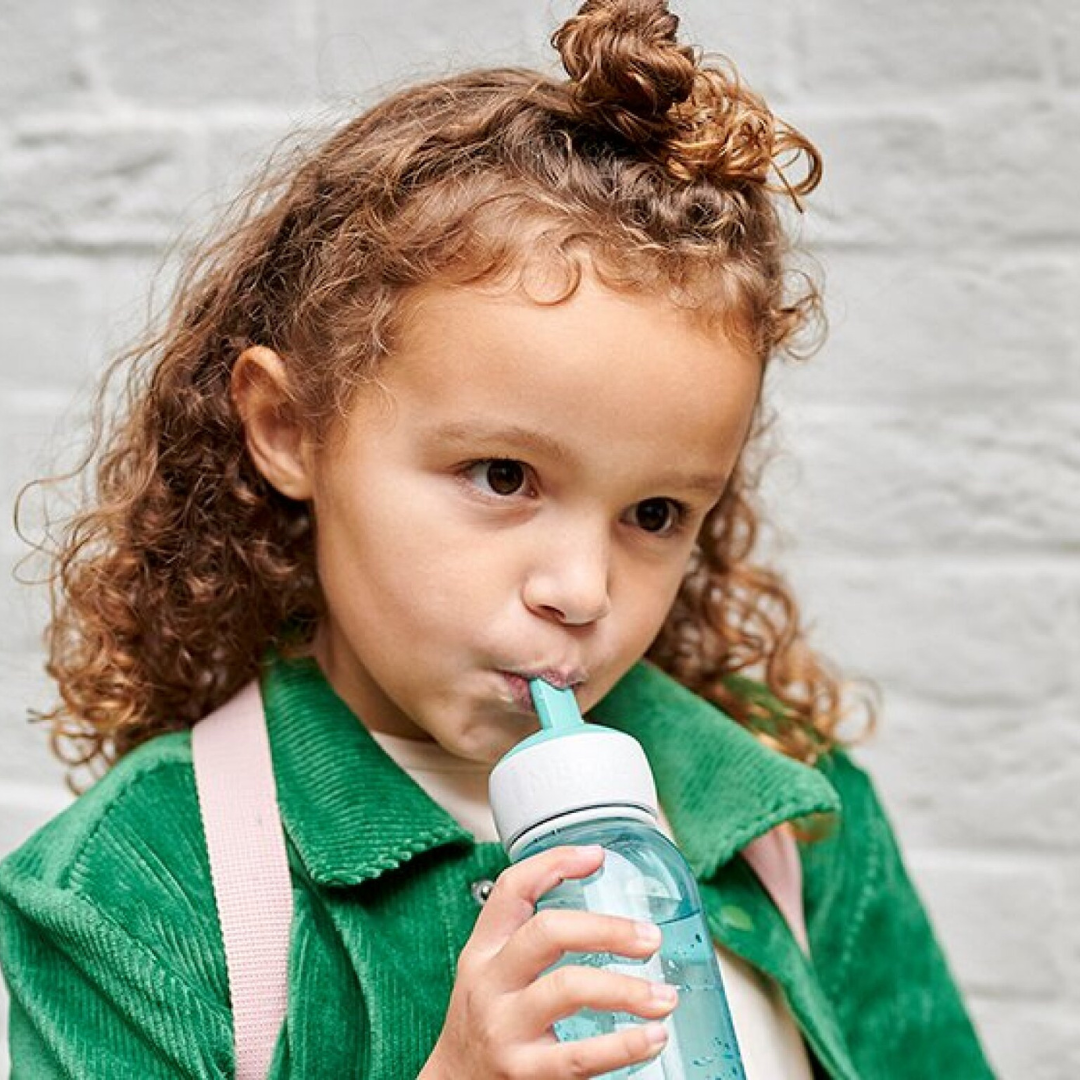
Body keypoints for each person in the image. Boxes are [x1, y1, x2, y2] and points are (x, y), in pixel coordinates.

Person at [0, 1, 997, 1077]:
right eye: (503, 477)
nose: (580, 588)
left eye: (655, 514)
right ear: (290, 430)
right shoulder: (128, 895)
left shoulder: (799, 816)